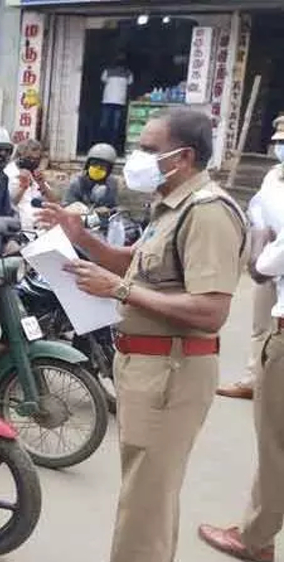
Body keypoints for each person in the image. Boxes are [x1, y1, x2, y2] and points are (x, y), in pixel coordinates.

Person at [37, 107, 247, 562]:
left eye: (150, 149)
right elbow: (131, 262)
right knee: (147, 496)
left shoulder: (208, 213)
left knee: (145, 504)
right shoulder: (169, 207)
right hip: (145, 366)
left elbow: (212, 310)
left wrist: (119, 290)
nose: (136, 157)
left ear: (183, 156)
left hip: (172, 371)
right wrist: (81, 237)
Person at [195, 116, 284, 562]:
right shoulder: (272, 180)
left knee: (276, 445)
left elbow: (265, 265)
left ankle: (255, 538)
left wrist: (260, 251)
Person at [217, 116, 284, 401]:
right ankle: (253, 381)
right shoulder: (273, 176)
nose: (280, 147)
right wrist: (259, 242)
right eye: (278, 142)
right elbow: (258, 209)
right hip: (268, 258)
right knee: (261, 325)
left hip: (275, 259)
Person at [5, 138, 56, 229]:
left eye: (36, 159)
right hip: (21, 223)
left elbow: (54, 201)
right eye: (29, 158)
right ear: (19, 156)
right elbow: (9, 204)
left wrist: (42, 184)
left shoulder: (35, 172)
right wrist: (23, 187)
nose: (32, 162)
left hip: (41, 223)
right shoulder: (9, 173)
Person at [64, 142, 120, 210]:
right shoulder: (77, 183)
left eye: (103, 167)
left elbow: (114, 206)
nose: (97, 169)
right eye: (95, 164)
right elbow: (67, 207)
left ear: (109, 170)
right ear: (88, 165)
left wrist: (108, 210)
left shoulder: (111, 183)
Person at [100, 54, 134, 147]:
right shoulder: (128, 73)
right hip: (120, 102)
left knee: (104, 124)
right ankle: (113, 144)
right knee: (116, 125)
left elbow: (102, 82)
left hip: (107, 100)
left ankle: (103, 143)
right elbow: (130, 87)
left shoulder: (107, 71)